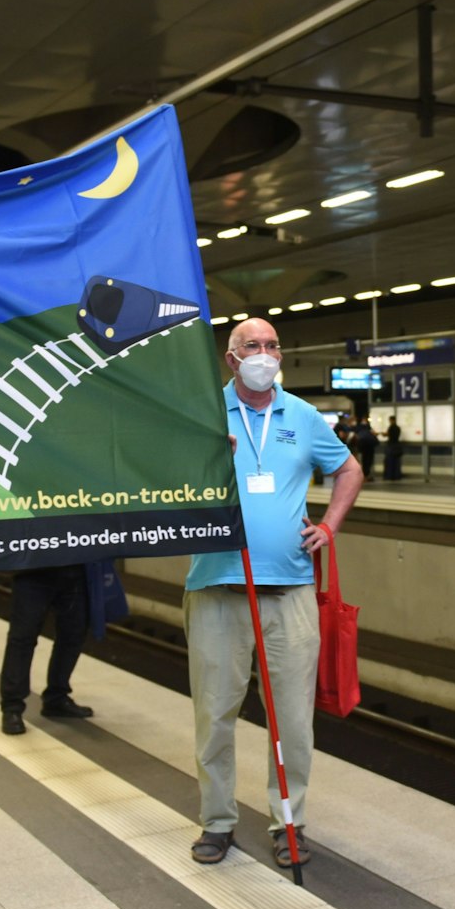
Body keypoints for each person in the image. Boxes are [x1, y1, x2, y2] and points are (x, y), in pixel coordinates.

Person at [184, 319, 362, 868]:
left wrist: (328, 526)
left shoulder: (303, 417)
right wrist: (206, 455)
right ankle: (217, 823)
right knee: (215, 715)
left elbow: (349, 470)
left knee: (291, 718)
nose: (265, 354)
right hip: (218, 586)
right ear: (232, 360)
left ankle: (290, 822)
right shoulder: (202, 415)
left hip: (289, 591)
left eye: (271, 345)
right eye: (252, 347)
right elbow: (160, 482)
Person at [0, 563, 95, 734]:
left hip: (74, 569)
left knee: (73, 636)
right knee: (22, 638)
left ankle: (56, 697)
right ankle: (12, 707)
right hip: (32, 571)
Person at [383, 416, 403, 480]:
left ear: (391, 420)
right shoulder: (398, 428)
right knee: (397, 462)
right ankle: (397, 475)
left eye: (390, 420)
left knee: (389, 461)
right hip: (397, 446)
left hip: (391, 446)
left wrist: (381, 433)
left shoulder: (391, 427)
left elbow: (387, 434)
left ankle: (389, 476)